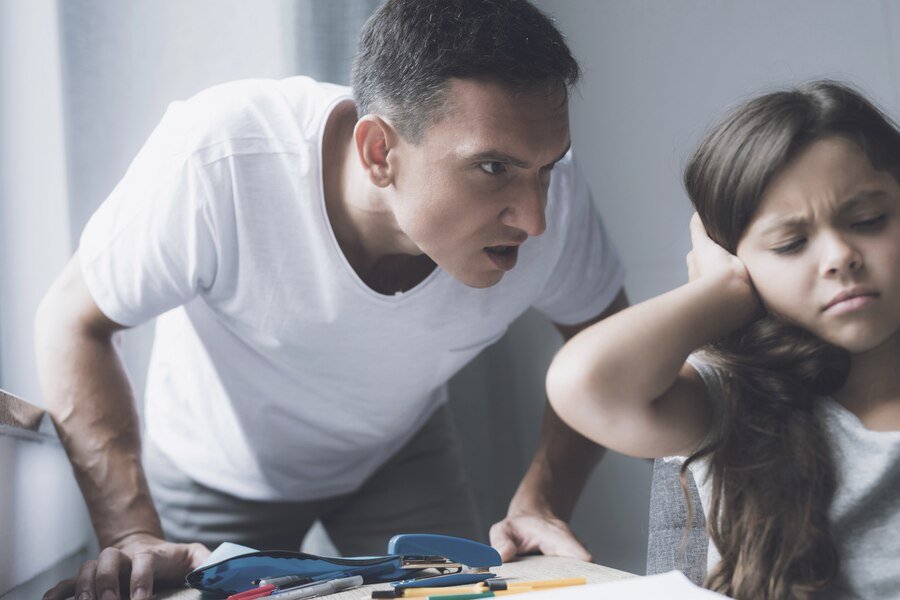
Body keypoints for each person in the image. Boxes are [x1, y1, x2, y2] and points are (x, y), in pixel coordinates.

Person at [36, 1, 628, 599]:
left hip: (399, 454)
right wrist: (132, 532)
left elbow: (611, 347)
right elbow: (72, 321)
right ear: (379, 153)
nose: (535, 220)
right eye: (493, 167)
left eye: (547, 168)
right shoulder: (221, 159)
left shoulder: (553, 205)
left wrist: (542, 501)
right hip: (213, 468)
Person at [547, 79, 900, 599]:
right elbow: (584, 382)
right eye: (790, 243)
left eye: (869, 220)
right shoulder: (731, 403)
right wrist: (723, 291)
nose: (839, 256)